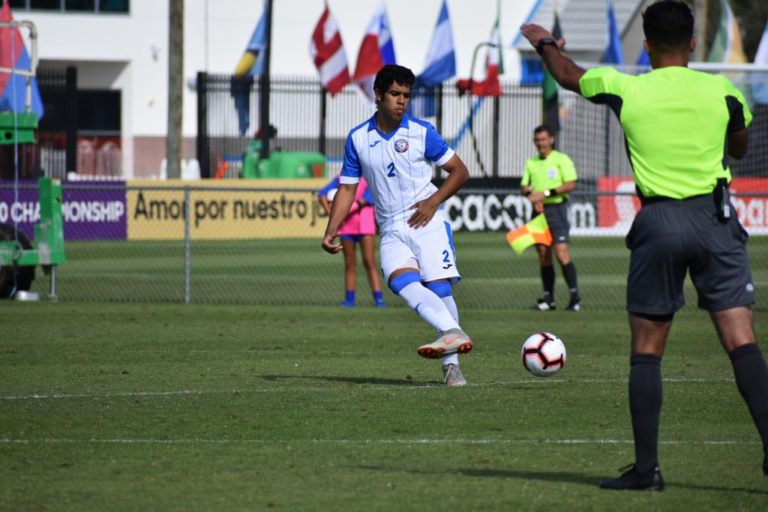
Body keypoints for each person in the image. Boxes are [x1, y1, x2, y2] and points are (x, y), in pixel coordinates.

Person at [522, 0, 768, 490]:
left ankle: (646, 470)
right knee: (743, 343)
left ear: (648, 45)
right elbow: (739, 146)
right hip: (714, 218)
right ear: (694, 43)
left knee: (647, 351)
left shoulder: (625, 86)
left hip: (658, 221)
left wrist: (543, 41)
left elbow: (568, 74)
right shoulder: (722, 90)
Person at [321, 64, 474, 387]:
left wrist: (433, 202)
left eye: (406, 95)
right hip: (390, 227)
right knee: (400, 283)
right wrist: (331, 229)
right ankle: (452, 331)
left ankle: (452, 367)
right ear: (378, 96)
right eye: (394, 94)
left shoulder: (421, 132)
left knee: (440, 287)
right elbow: (347, 189)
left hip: (427, 220)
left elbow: (460, 171)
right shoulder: (358, 139)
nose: (401, 101)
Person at [521, 125, 581, 312]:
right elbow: (525, 186)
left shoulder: (561, 159)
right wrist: (531, 195)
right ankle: (549, 299)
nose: (540, 143)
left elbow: (570, 184)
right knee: (543, 255)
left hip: (556, 210)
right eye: (537, 140)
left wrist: (545, 194)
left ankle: (574, 297)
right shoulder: (531, 162)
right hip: (537, 211)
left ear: (551, 139)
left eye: (543, 139)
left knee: (561, 253)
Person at [318, 175, 386, 308]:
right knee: (350, 263)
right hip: (347, 227)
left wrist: (345, 209)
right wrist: (331, 214)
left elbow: (368, 198)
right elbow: (322, 194)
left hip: (365, 226)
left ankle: (379, 299)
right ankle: (350, 299)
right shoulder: (341, 178)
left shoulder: (369, 177)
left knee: (369, 262)